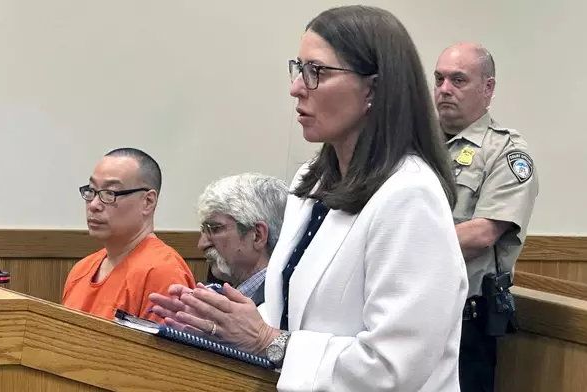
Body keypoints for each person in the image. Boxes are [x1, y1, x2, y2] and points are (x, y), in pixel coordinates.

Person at [149, 5, 468, 391]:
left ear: (373, 88)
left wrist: (268, 341)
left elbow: (393, 366)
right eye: (299, 68)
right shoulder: (312, 180)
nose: (297, 86)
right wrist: (220, 323)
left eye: (316, 71)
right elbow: (296, 315)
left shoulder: (410, 195)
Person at [434, 42, 539, 391]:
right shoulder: (410, 144)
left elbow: (481, 235)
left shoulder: (506, 153)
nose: (445, 89)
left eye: (458, 80)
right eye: (439, 79)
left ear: (488, 88)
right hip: (397, 311)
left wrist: (404, 244)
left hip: (463, 325)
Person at [62, 148, 196, 322]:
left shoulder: (162, 272)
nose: (94, 204)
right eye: (92, 191)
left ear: (148, 202)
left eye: (110, 193)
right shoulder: (81, 269)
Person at [197, 173, 288, 306]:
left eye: (215, 228)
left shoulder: (282, 306)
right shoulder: (224, 294)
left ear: (257, 235)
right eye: (203, 231)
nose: (201, 244)